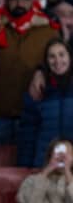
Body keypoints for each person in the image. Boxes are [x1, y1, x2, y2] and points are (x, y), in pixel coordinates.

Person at [0, 0, 59, 145]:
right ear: (6, 0)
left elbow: (61, 66)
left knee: (30, 168)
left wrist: (41, 70)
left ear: (32, 0)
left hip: (35, 117)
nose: (19, 3)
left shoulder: (49, 30)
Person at [18, 39, 73, 168]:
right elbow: (28, 133)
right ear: (46, 61)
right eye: (52, 56)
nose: (57, 61)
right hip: (44, 163)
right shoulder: (38, 89)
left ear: (70, 57)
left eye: (61, 54)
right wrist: (25, 166)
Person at [17, 138, 73, 203]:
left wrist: (68, 174)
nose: (62, 157)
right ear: (50, 155)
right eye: (58, 152)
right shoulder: (31, 180)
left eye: (67, 154)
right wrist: (46, 172)